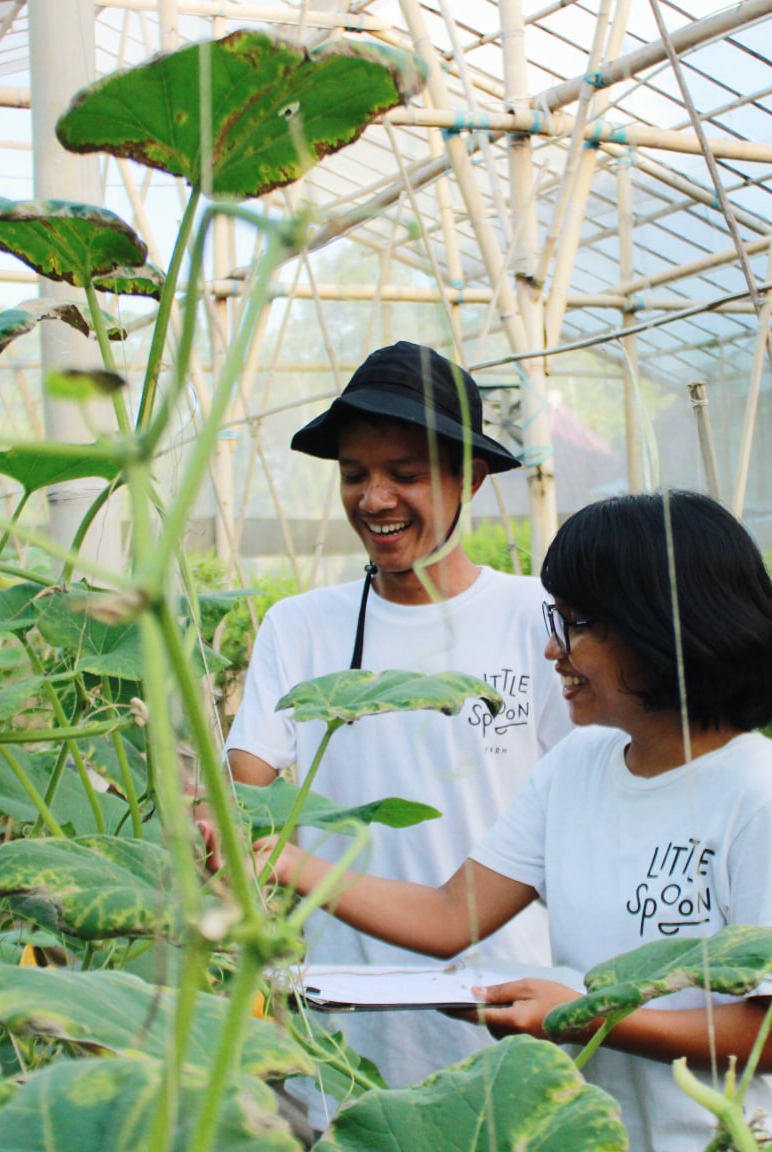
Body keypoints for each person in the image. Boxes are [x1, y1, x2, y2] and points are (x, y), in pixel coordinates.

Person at [239, 491, 772, 1151]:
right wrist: (284, 860)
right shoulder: (577, 766)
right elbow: (451, 916)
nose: (554, 650)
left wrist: (582, 1017)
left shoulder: (764, 802)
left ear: (658, 631)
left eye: (578, 625)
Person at [223, 342, 571, 1120]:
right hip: (345, 1028)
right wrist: (210, 821)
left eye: (406, 474)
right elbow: (240, 796)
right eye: (354, 474)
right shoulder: (301, 629)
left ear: (469, 480)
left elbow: (585, 813)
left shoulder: (540, 622)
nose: (375, 498)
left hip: (505, 1020)